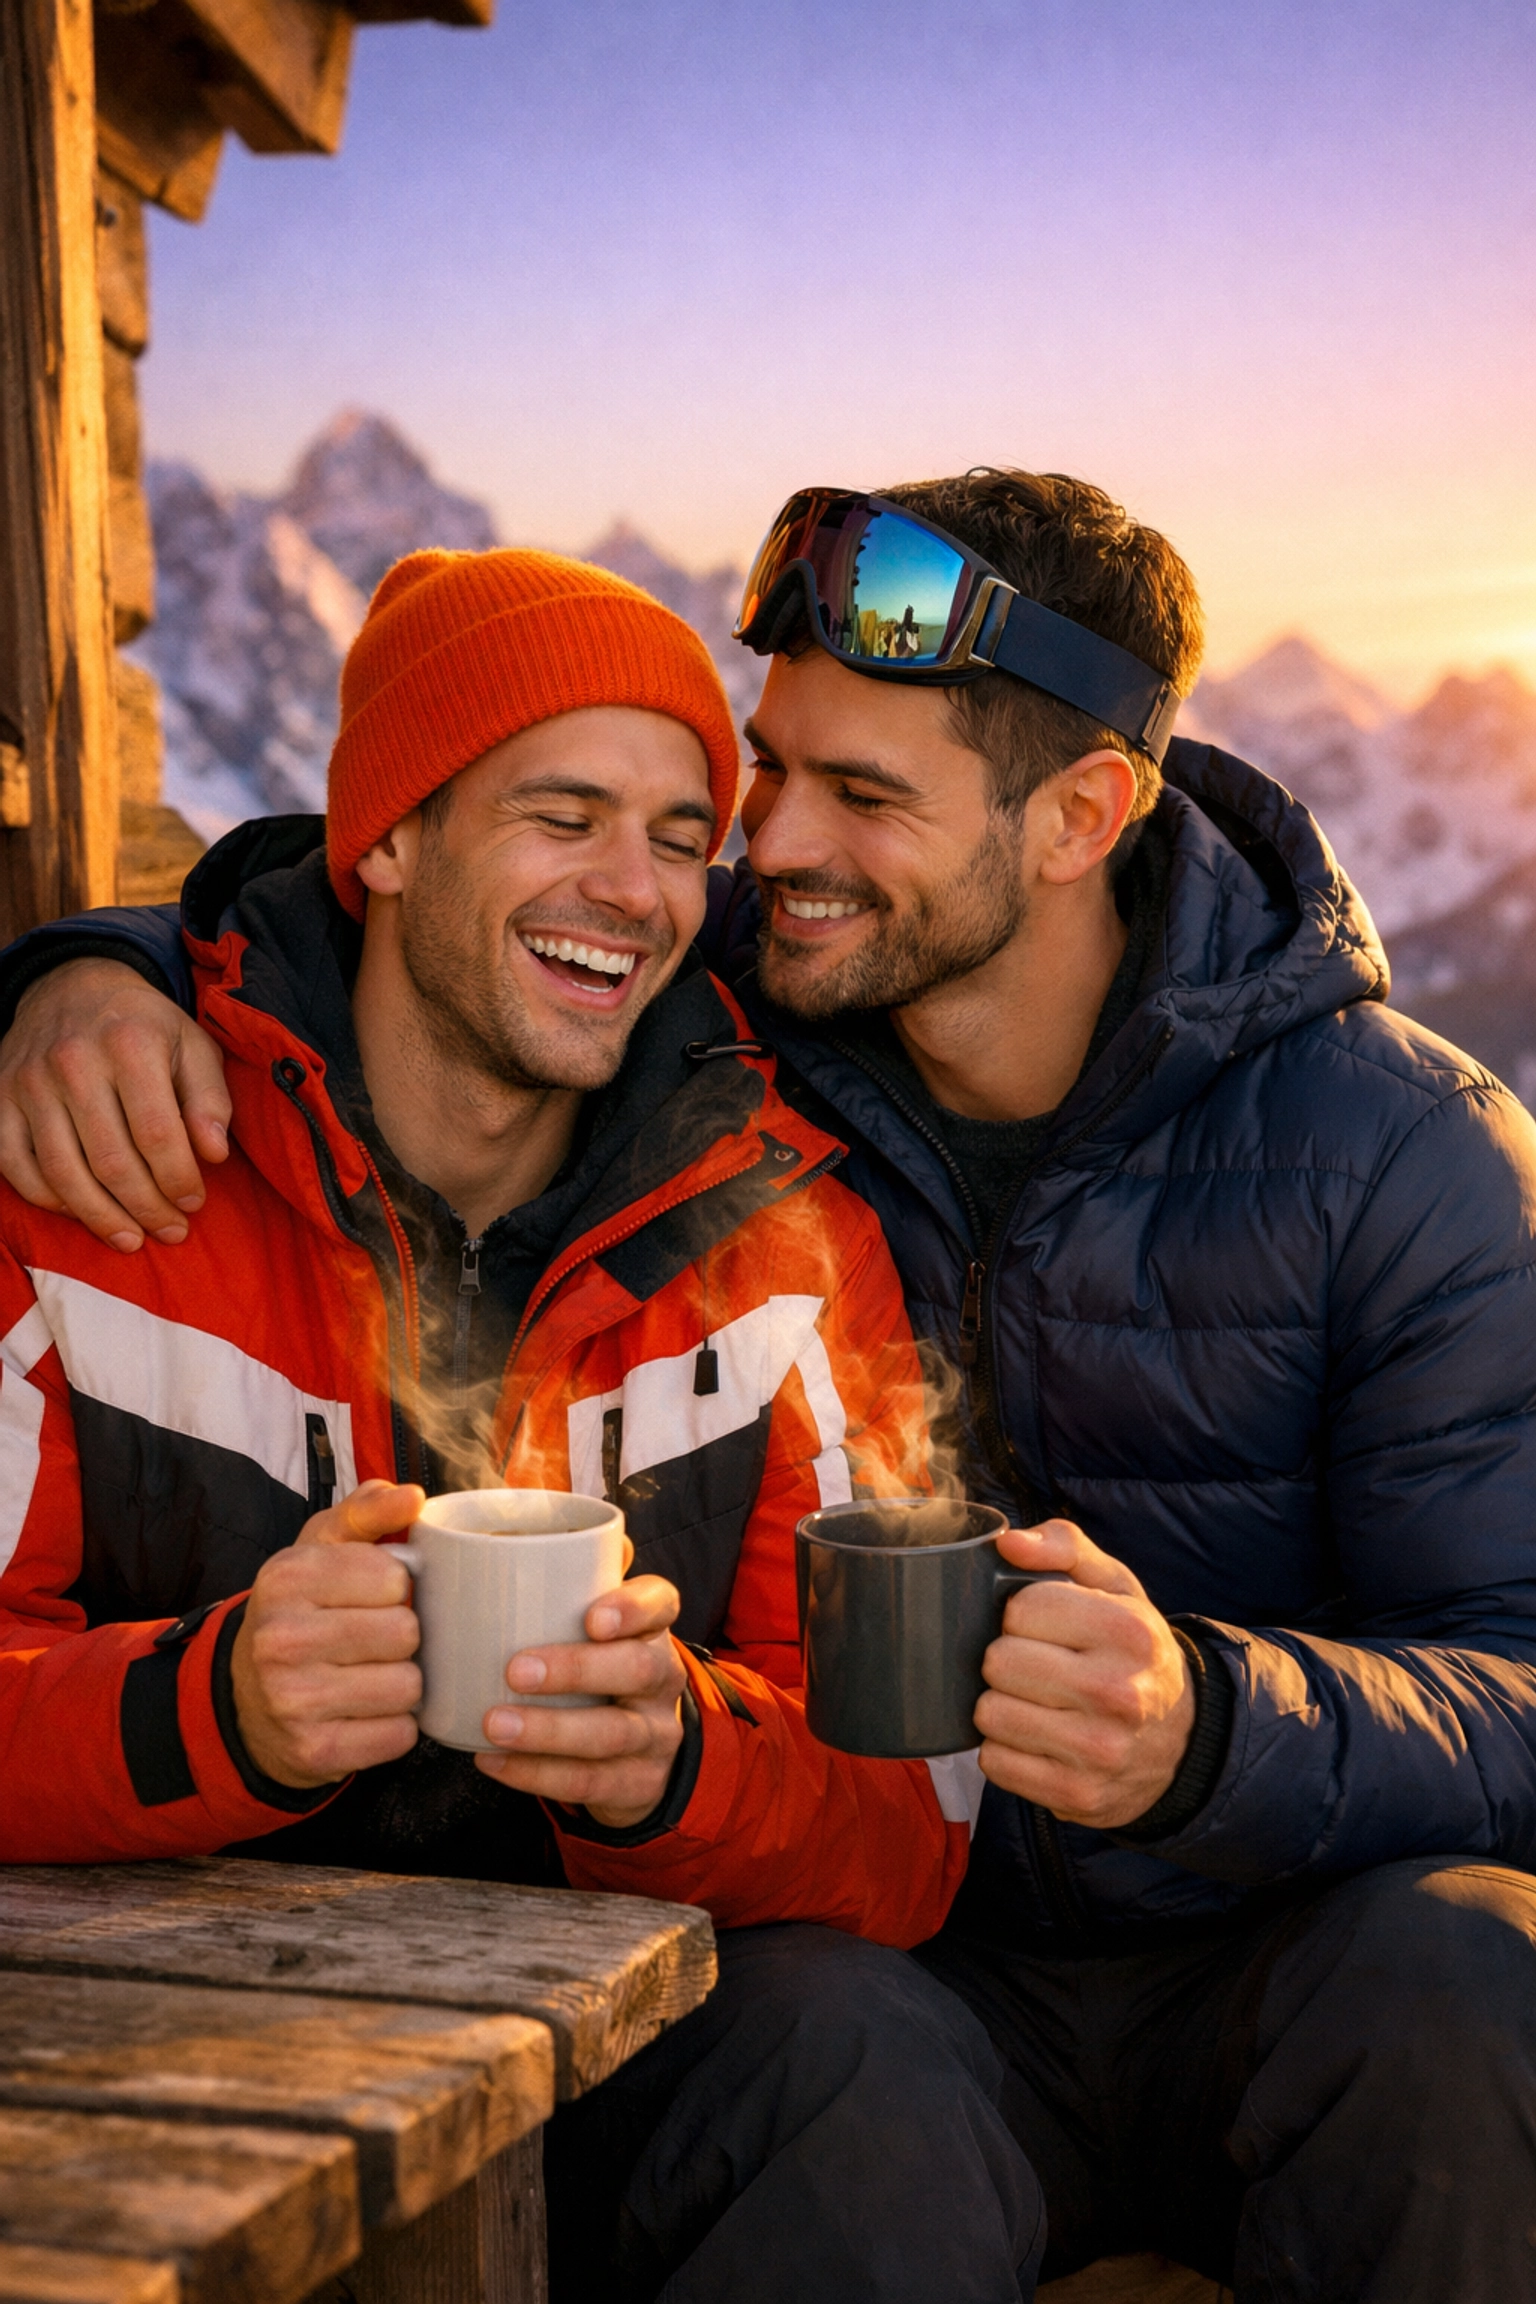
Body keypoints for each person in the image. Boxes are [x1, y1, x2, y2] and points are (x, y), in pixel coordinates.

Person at [6, 471, 1536, 2303]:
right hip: (895, 1981)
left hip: (1274, 1949)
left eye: (858, 796)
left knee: (1476, 1973)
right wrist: (88, 971)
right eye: (768, 775)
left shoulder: (1405, 1159)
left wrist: (1213, 1727)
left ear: (1082, 815)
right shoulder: (729, 999)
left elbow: (1518, 1680)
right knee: (836, 2051)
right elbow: (387, 895)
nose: (761, 850)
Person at [0, 543, 976, 1962]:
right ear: (388, 841)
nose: (633, 891)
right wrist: (212, 1711)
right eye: (564, 816)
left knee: (859, 2046)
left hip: (635, 2039)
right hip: (174, 2014)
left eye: (676, 835)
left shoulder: (780, 1243)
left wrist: (681, 1764)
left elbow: (915, 1822)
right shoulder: (103, 1171)